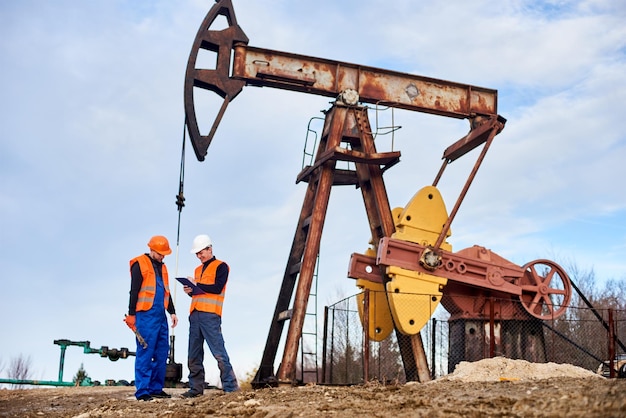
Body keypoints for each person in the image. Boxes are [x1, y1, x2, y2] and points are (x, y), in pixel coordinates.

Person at [181, 234, 239, 397]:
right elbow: (200, 293)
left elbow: (217, 288)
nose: (199, 256)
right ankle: (196, 389)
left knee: (219, 352)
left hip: (211, 316)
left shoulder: (222, 266)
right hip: (195, 315)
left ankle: (230, 387)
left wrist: (197, 284)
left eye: (201, 252)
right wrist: (190, 291)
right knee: (194, 354)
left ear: (209, 248)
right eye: (197, 254)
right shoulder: (197, 270)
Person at [124, 235, 178, 401]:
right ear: (152, 250)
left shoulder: (163, 267)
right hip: (145, 315)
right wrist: (131, 314)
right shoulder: (139, 264)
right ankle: (142, 391)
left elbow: (165, 292)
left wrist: (173, 312)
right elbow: (134, 291)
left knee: (162, 352)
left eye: (164, 254)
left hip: (160, 315)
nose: (163, 257)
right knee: (145, 352)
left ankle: (156, 388)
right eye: (160, 253)